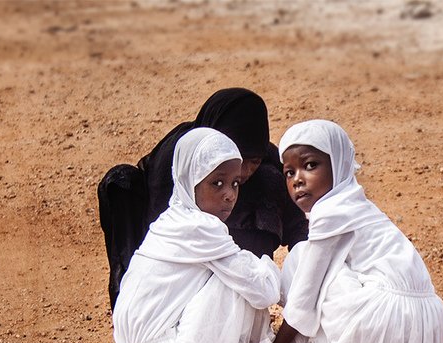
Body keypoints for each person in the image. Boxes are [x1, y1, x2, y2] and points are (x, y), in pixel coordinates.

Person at [75, 128, 281, 343]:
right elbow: (263, 290)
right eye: (217, 183)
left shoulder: (171, 219)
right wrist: (274, 268)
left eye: (235, 183)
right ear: (188, 181)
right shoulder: (201, 228)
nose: (229, 194)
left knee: (233, 274)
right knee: (239, 285)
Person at [266, 119, 443, 343]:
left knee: (300, 260)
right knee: (324, 268)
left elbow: (304, 296)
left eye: (310, 165)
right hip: (417, 322)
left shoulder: (331, 212)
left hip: (390, 319)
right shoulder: (356, 204)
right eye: (289, 172)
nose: (297, 180)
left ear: (340, 165)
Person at [97, 88, 307, 308]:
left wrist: (310, 273)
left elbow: (299, 229)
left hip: (238, 273)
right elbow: (168, 236)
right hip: (180, 268)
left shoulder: (267, 163)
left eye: (252, 162)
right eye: (238, 159)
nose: (243, 173)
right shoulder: (180, 157)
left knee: (269, 178)